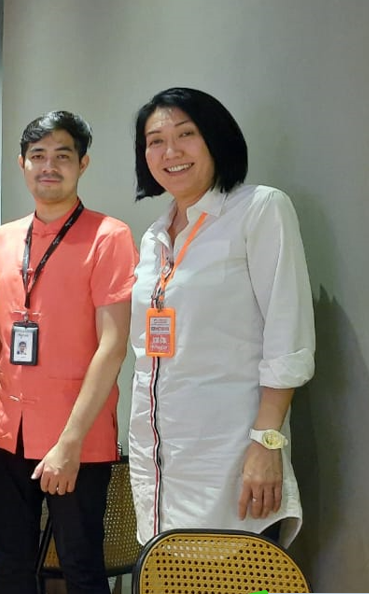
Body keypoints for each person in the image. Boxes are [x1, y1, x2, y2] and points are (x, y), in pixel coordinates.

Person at [128, 87, 314, 546]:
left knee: (238, 571)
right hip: (159, 460)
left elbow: (287, 338)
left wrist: (267, 442)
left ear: (216, 138)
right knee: (168, 570)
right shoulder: (154, 237)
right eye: (155, 141)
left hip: (232, 455)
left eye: (186, 134)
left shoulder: (259, 209)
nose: (171, 151)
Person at [0, 111, 137, 594]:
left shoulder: (109, 236)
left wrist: (69, 443)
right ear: (22, 163)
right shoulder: (2, 240)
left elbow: (112, 346)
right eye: (38, 156)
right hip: (6, 432)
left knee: (81, 567)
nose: (49, 166)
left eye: (62, 156)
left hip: (76, 436)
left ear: (83, 164)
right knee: (10, 567)